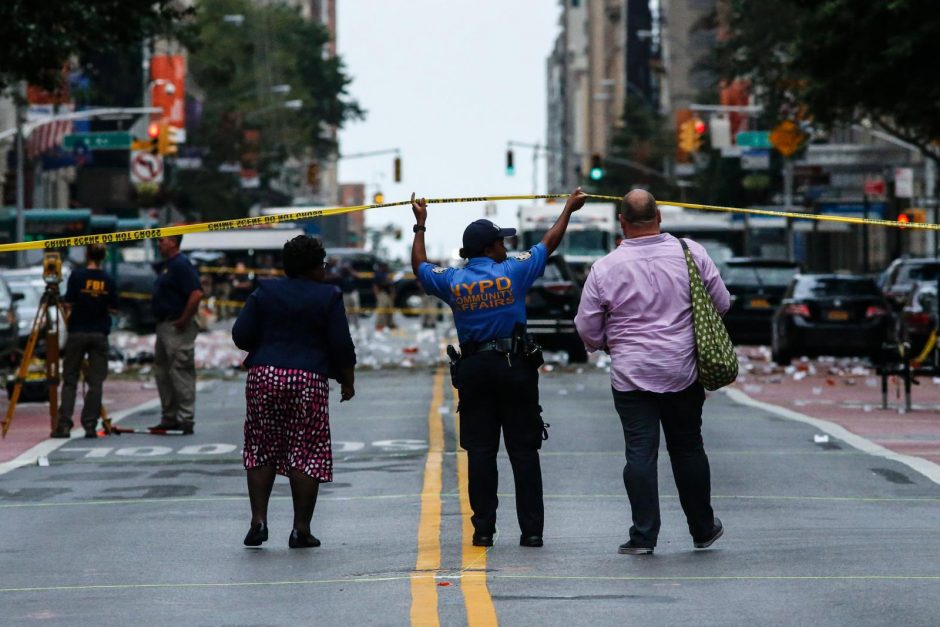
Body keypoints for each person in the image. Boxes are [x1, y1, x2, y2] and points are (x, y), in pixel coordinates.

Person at [411, 187, 587, 548]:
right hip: (514, 368)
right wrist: (569, 208)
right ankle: (532, 531)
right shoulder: (513, 271)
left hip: (474, 370)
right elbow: (549, 243)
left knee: (481, 452)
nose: (505, 246)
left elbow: (420, 267)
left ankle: (484, 529)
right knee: (524, 451)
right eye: (501, 241)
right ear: (490, 248)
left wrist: (420, 227)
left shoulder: (453, 280)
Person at [574, 189, 730, 555]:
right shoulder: (691, 253)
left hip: (631, 375)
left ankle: (644, 535)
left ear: (622, 223)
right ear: (659, 217)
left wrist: (608, 344)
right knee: (689, 449)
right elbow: (721, 303)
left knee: (640, 453)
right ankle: (702, 528)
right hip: (682, 370)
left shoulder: (605, 268)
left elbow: (586, 327)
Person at [232, 235, 356, 548]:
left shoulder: (265, 291)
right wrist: (347, 380)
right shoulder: (328, 296)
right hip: (307, 379)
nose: (326, 271)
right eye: (323, 265)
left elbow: (241, 335)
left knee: (261, 447)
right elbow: (341, 344)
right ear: (314, 268)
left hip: (265, 375)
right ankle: (301, 529)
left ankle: (258, 520)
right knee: (307, 451)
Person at [52, 244, 118, 439]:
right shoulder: (108, 279)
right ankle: (90, 424)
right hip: (99, 334)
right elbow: (114, 309)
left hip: (78, 332)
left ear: (87, 254)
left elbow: (69, 302)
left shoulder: (77, 276)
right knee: (96, 383)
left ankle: (64, 424)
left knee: (70, 379)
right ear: (103, 257)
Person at [151, 234, 204, 434]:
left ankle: (186, 417)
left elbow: (196, 293)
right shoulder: (168, 265)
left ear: (173, 242)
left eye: (162, 240)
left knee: (180, 370)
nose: (159, 243)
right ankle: (170, 416)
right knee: (163, 372)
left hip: (176, 326)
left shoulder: (181, 264)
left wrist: (184, 318)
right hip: (164, 324)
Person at [372, 262, 396, 331]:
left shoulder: (388, 274)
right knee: (382, 309)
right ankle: (380, 324)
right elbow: (375, 285)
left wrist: (393, 293)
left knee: (390, 309)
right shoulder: (378, 274)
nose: (386, 268)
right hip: (382, 293)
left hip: (389, 294)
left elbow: (392, 285)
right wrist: (377, 295)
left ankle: (390, 324)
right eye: (385, 267)